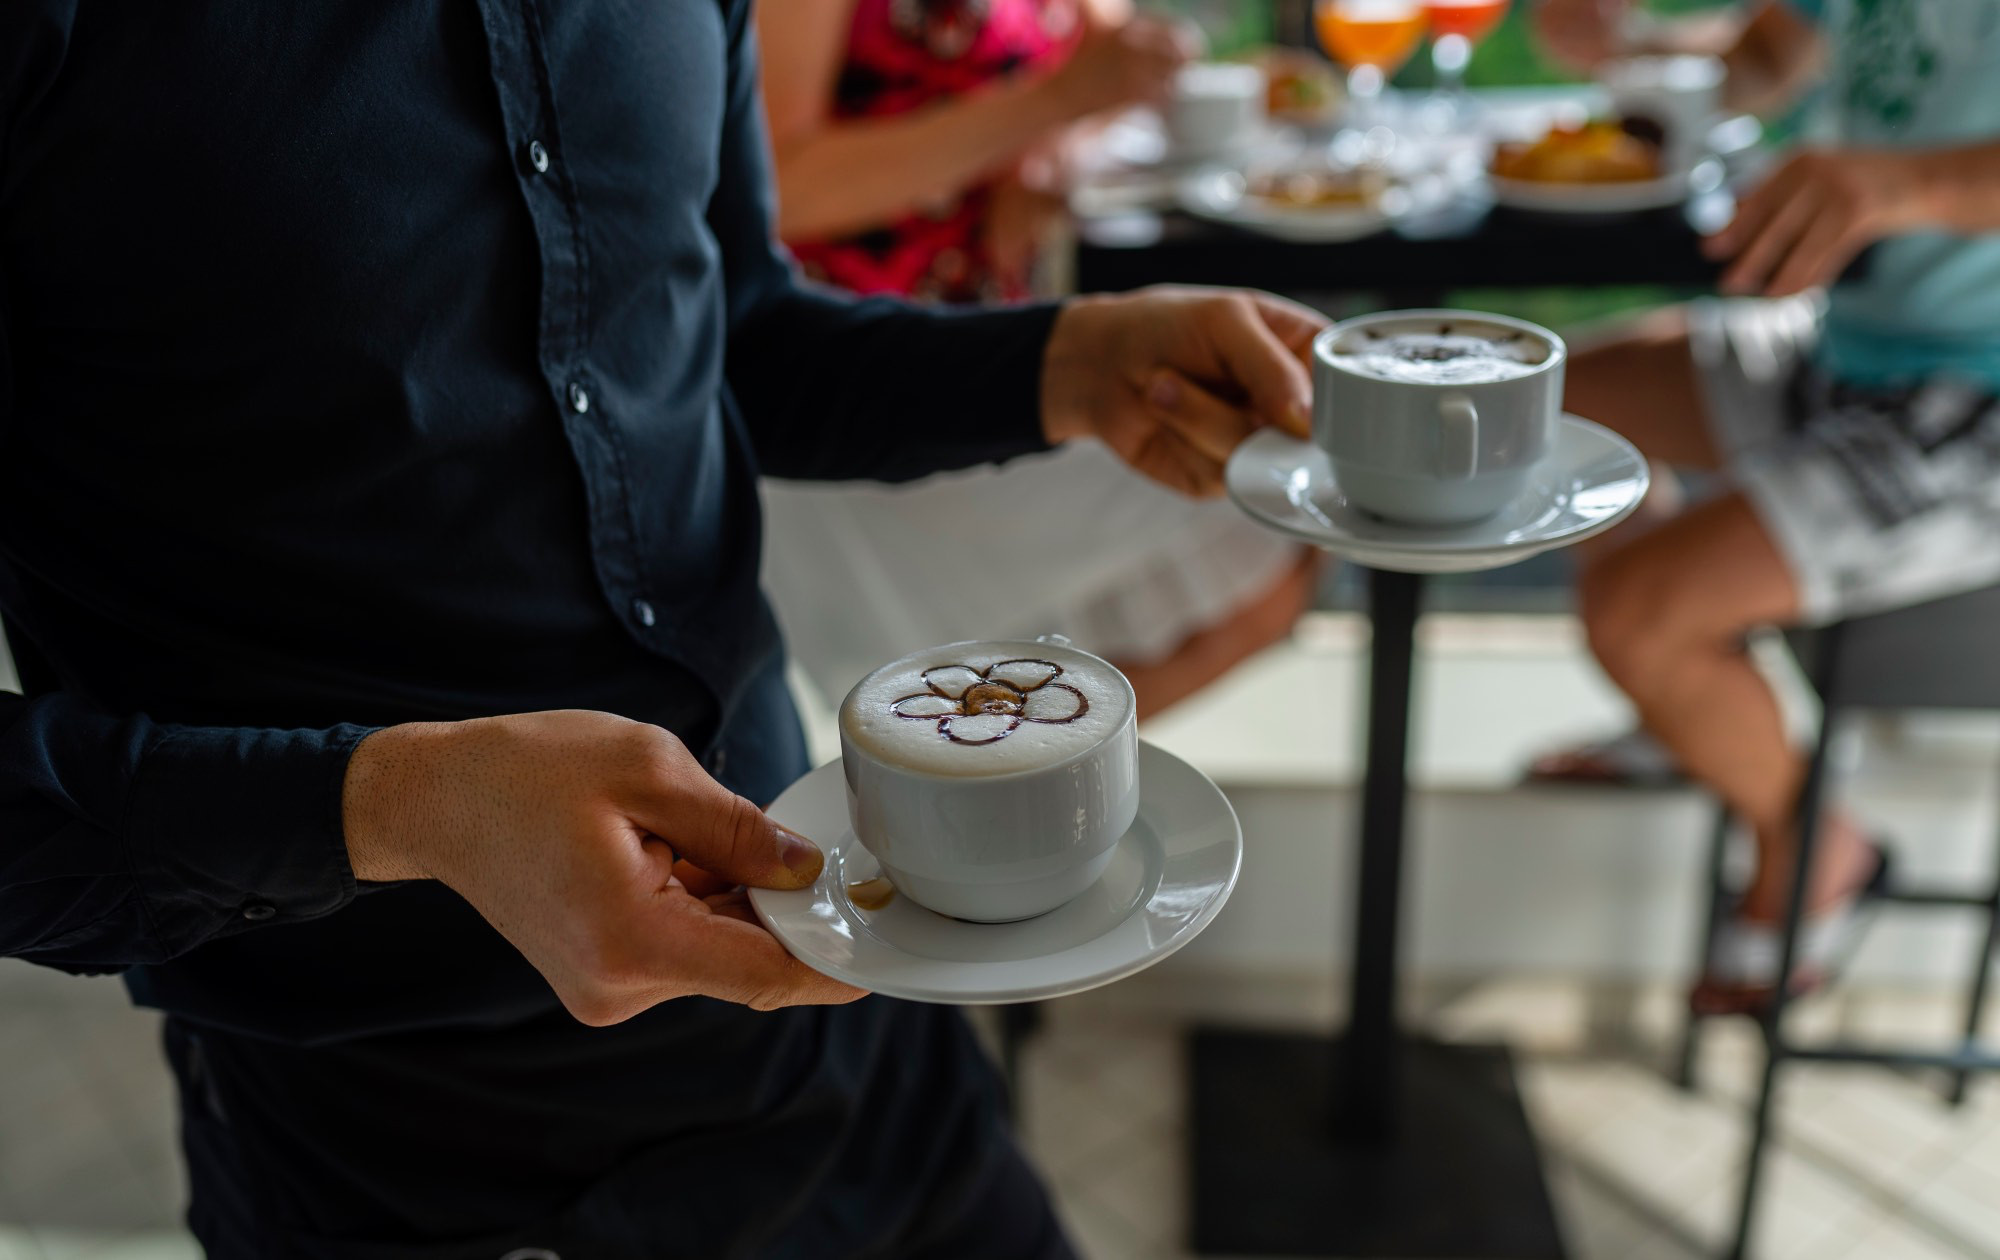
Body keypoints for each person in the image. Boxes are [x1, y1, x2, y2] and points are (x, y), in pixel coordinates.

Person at [0, 4, 1326, 1256]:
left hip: (838, 987)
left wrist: (1062, 364)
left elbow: (717, 329)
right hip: (401, 1138)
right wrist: (398, 803)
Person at [1529, 0, 2000, 1013]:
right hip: (1845, 341)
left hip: (1980, 402)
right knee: (1533, 408)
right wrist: (1636, 48)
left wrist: (1898, 183)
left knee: (1635, 611)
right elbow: (1762, 59)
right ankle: (1682, 708)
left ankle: (1816, 844)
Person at [754, 0, 1317, 716]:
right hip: (853, 390)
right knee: (1273, 486)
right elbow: (776, 186)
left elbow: (1103, 76)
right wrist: (1046, 107)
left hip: (1004, 367)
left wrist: (1049, 148)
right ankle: (967, 781)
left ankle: (990, 786)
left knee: (1284, 513)